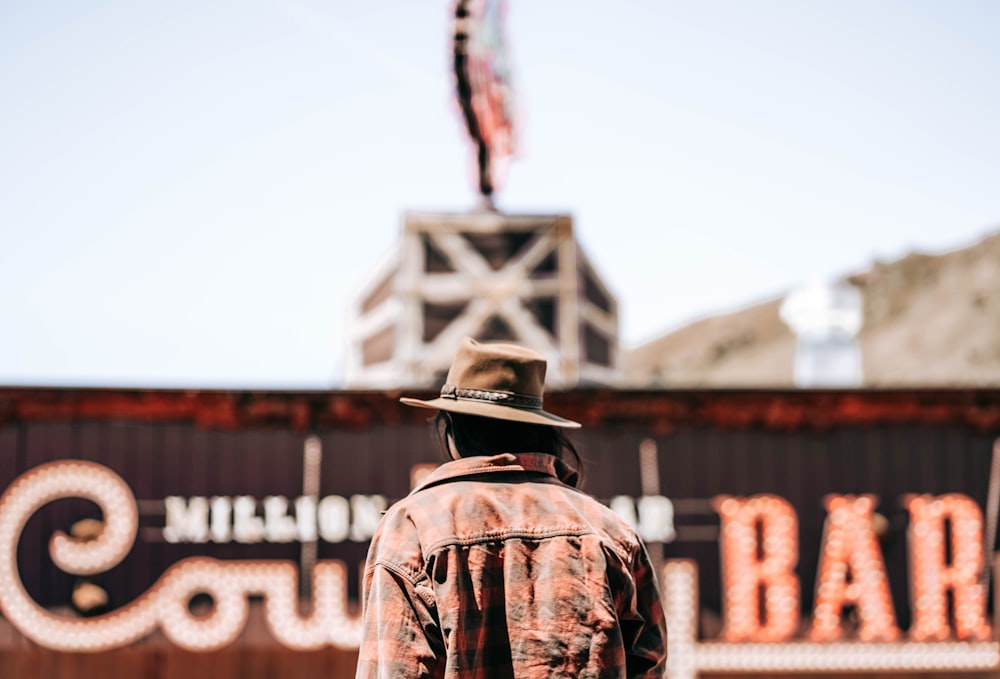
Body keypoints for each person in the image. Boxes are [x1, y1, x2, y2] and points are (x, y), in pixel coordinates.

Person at [355, 336, 667, 679]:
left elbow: (398, 668)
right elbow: (649, 664)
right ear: (540, 427)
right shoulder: (610, 532)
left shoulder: (415, 524)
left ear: (453, 428)